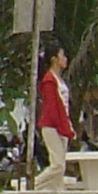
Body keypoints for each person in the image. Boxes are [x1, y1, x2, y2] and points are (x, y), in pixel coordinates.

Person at [34, 44, 73, 186]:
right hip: (52, 126)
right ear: (54, 59)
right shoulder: (49, 80)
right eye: (62, 55)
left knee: (59, 169)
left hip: (61, 125)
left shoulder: (58, 79)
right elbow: (53, 107)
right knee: (58, 165)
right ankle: (33, 184)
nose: (65, 59)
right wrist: (63, 127)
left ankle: (53, 193)